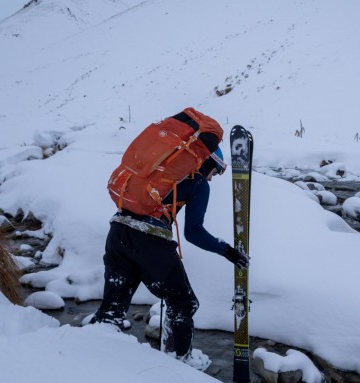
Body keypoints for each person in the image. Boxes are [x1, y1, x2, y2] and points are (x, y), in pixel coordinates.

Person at [89, 146, 249, 370]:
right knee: (183, 303)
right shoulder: (198, 181)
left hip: (118, 233)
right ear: (207, 162)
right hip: (151, 242)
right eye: (217, 171)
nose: (213, 178)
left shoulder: (158, 172)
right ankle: (178, 364)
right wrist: (226, 250)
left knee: (112, 308)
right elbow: (193, 233)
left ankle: (91, 359)